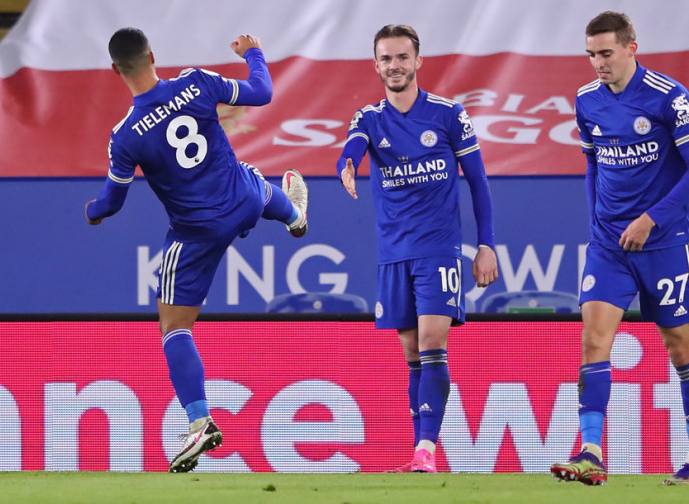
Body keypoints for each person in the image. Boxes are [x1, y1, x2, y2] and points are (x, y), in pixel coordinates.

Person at [84, 28, 309, 473]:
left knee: (173, 327)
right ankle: (292, 215)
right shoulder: (196, 82)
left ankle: (199, 421)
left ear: (115, 70)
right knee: (250, 180)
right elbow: (262, 91)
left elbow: (112, 203)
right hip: (240, 200)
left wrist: (91, 211)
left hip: (197, 232)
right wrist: (255, 54)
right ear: (152, 54)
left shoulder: (125, 135)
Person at [550, 11, 689, 486]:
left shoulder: (668, 97)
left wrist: (650, 219)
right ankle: (591, 453)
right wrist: (596, 220)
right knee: (593, 342)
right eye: (591, 55)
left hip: (664, 243)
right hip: (608, 246)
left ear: (630, 48)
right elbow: (593, 165)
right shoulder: (586, 100)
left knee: (680, 347)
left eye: (605, 53)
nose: (597, 63)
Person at [337, 24, 499, 473]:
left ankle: (427, 451)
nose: (395, 66)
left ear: (418, 62)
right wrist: (348, 165)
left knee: (431, 341)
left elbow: (479, 184)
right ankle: (418, 451)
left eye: (402, 57)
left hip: (439, 249)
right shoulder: (368, 118)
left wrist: (486, 246)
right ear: (376, 66)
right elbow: (352, 147)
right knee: (412, 351)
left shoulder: (448, 115)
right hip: (393, 253)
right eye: (386, 59)